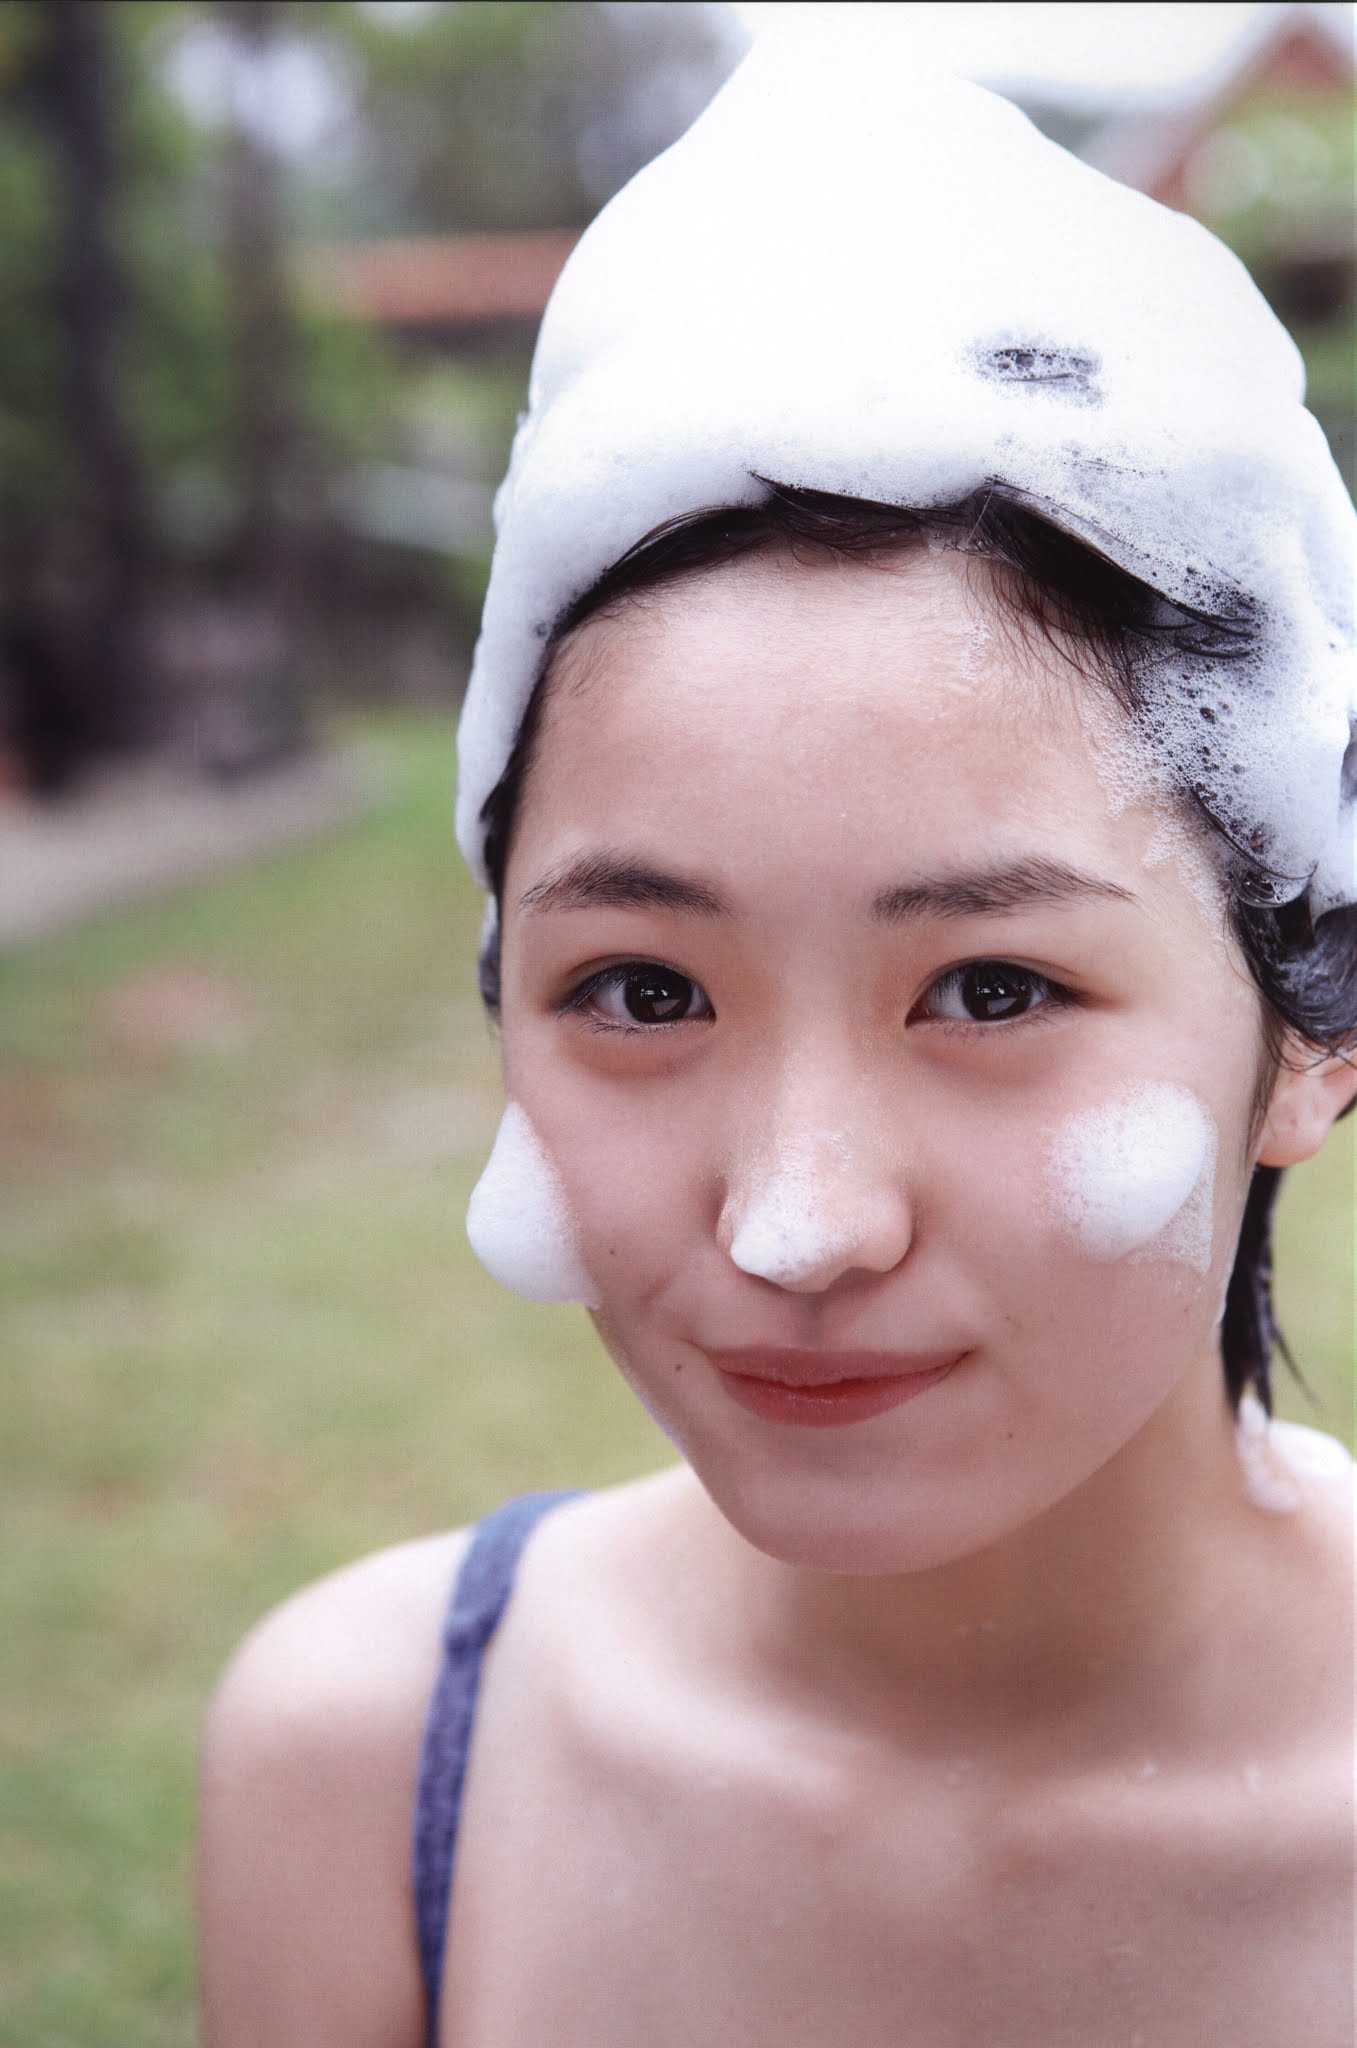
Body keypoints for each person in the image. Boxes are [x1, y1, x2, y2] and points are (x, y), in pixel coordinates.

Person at [196, 26, 1357, 2047]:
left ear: (1315, 1029)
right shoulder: (363, 1773)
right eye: (642, 990)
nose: (795, 1227)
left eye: (990, 989)